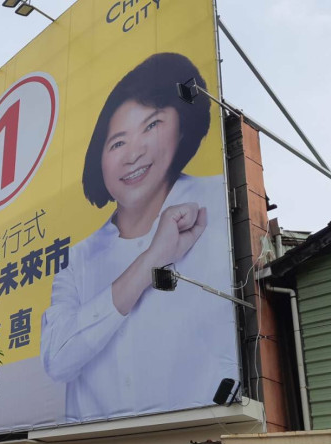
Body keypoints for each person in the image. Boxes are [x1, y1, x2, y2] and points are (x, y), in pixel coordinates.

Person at [41, 52, 237, 421]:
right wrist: (149, 262)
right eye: (117, 143)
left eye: (152, 125)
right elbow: (57, 360)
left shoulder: (219, 202)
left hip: (210, 437)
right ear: (98, 159)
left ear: (182, 129)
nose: (134, 154)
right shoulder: (78, 260)